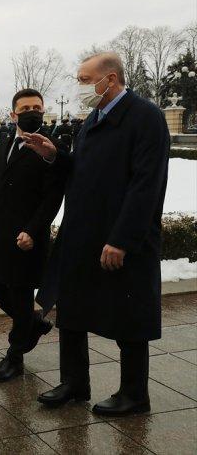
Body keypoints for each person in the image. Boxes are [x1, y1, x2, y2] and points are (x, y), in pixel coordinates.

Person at [24, 52, 170, 416]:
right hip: (83, 233)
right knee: (72, 309)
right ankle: (74, 382)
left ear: (111, 79)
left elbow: (146, 184)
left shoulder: (144, 117)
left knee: (129, 315)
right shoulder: (95, 118)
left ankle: (135, 394)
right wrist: (55, 154)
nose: (80, 88)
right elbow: (86, 171)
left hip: (121, 237)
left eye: (85, 80)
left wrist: (122, 239)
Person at [0, 88, 65, 382]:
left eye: (37, 107)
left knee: (20, 295)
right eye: (26, 108)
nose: (32, 112)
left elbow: (52, 197)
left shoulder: (52, 147)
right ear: (13, 114)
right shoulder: (5, 142)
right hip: (2, 229)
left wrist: (33, 231)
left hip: (28, 235)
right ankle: (32, 322)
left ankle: (14, 358)